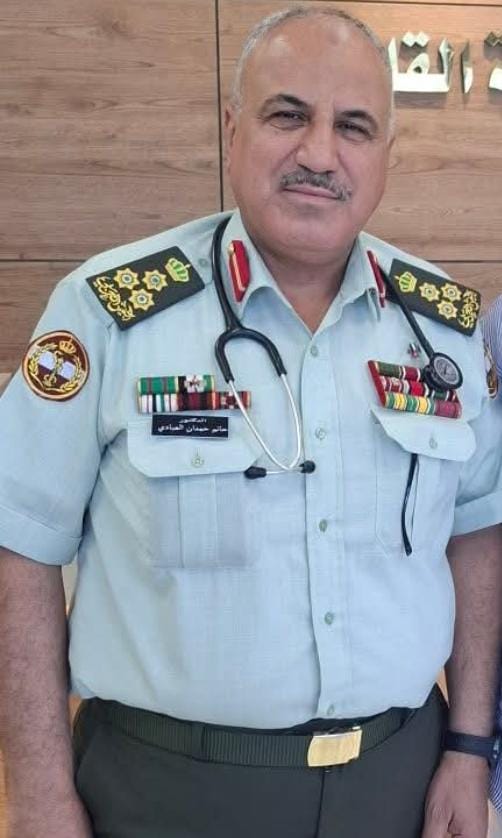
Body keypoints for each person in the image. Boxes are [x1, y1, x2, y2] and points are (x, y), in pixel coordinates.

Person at [1, 6, 502, 838]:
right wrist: (37, 795)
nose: (319, 154)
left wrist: (468, 745)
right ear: (233, 130)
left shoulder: (442, 329)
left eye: (353, 126)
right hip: (160, 792)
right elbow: (19, 547)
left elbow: (477, 537)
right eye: (287, 115)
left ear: (388, 153)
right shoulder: (107, 313)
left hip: (399, 784)